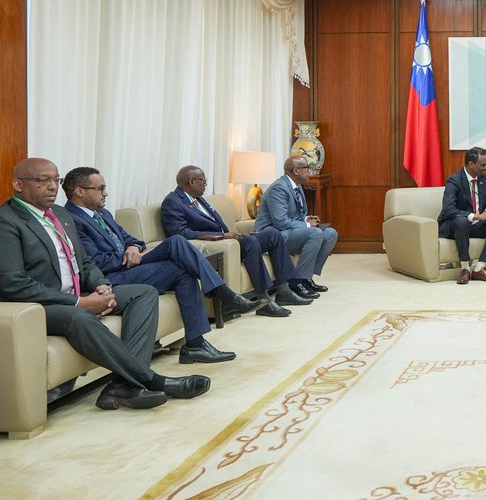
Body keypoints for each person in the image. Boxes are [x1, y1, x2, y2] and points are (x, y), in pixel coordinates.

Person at [0, 158, 210, 410]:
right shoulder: (2, 222)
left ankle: (122, 386)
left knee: (143, 293)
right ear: (18, 185)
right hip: (24, 306)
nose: (52, 187)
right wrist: (79, 302)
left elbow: (83, 261)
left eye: (55, 180)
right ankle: (152, 380)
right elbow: (13, 284)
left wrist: (101, 286)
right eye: (43, 181)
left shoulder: (60, 215)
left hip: (71, 295)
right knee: (79, 317)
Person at [63, 166, 262, 364]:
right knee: (176, 241)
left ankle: (195, 344)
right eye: (100, 188)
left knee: (183, 270)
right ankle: (225, 295)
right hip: (112, 276)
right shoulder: (71, 220)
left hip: (130, 264)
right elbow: (97, 262)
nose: (105, 193)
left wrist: (133, 246)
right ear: (79, 191)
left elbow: (132, 239)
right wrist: (129, 255)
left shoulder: (102, 213)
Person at [160, 165, 304, 316]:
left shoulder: (198, 199)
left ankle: (283, 289)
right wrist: (222, 236)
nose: (205, 185)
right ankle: (263, 299)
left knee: (272, 234)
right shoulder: (173, 202)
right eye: (203, 181)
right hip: (218, 246)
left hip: (229, 240)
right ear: (191, 181)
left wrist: (235, 234)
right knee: (251, 243)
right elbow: (180, 233)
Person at [256, 156, 338, 295]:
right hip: (273, 235)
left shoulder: (297, 185)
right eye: (306, 167)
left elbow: (294, 215)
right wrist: (306, 225)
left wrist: (306, 218)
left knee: (330, 234)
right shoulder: (279, 188)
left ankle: (307, 278)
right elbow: (280, 222)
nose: (309, 170)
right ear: (296, 171)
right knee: (315, 233)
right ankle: (296, 282)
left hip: (289, 231)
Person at [438, 147, 486, 285]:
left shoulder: (485, 179)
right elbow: (448, 209)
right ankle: (465, 269)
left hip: (475, 226)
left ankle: (480, 268)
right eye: (482, 165)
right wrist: (476, 216)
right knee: (461, 221)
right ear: (470, 164)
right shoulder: (454, 180)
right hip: (455, 226)